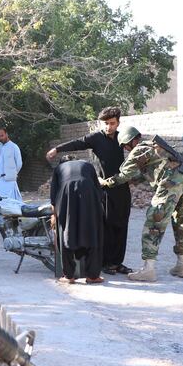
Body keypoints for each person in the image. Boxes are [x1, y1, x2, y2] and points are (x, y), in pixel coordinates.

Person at [46, 107, 133, 276]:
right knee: (106, 226)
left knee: (122, 226)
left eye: (112, 123)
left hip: (121, 188)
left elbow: (135, 148)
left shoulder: (122, 138)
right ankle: (105, 262)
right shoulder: (96, 138)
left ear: (118, 122)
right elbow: (77, 143)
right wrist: (57, 149)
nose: (109, 127)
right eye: (106, 123)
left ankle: (117, 262)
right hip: (104, 189)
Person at [101, 127, 183, 282]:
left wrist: (106, 182)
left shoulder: (140, 150)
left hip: (168, 187)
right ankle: (182, 265)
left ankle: (148, 270)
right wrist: (134, 180)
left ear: (130, 142)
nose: (125, 149)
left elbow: (124, 175)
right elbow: (149, 173)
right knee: (181, 224)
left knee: (153, 225)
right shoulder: (156, 148)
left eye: (124, 146)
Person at [50, 156, 104, 284]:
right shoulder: (87, 165)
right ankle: (93, 276)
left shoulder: (59, 168)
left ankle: (69, 276)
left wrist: (55, 216)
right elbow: (99, 191)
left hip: (66, 194)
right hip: (89, 193)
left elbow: (53, 197)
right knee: (93, 231)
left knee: (66, 230)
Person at [0, 127, 23, 201]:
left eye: (2, 135)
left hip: (8, 179)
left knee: (9, 200)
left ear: (6, 134)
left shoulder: (14, 147)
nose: (1, 138)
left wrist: (13, 174)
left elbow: (19, 163)